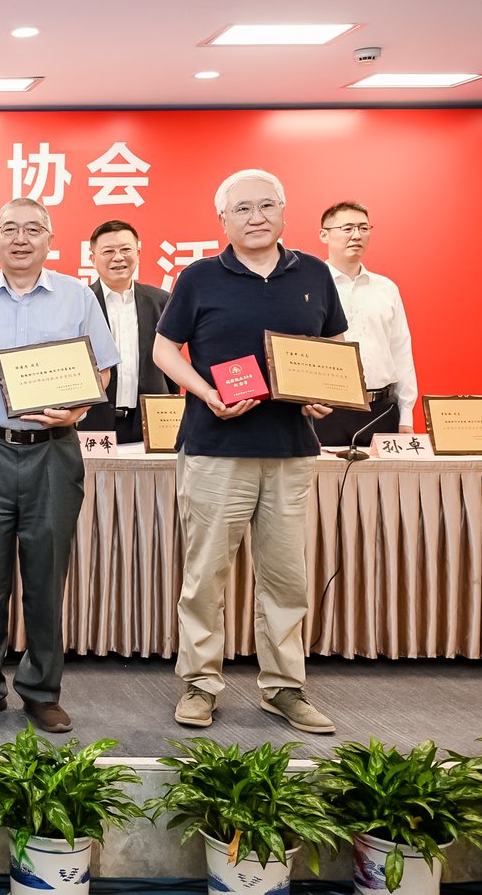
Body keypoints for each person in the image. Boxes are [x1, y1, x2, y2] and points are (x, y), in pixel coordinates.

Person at [152, 169, 346, 735]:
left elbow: (334, 345)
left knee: (286, 578)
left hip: (290, 450)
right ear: (223, 220)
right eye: (242, 209)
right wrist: (207, 393)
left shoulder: (313, 273)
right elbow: (165, 350)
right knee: (204, 575)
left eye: (266, 205)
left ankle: (284, 687)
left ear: (284, 211)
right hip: (216, 448)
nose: (255, 217)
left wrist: (325, 392)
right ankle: (200, 683)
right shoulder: (198, 276)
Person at [0, 198, 118, 733]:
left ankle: (42, 691)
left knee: (46, 574)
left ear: (50, 239)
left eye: (33, 229)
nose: (21, 239)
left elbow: (101, 371)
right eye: (10, 229)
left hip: (54, 451)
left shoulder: (78, 296)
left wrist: (77, 409)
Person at [313, 201, 418, 447]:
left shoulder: (386, 288)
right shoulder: (310, 287)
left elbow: (400, 351)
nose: (357, 235)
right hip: (325, 410)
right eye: (347, 228)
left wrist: (406, 415)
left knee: (385, 475)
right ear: (324, 234)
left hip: (381, 410)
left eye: (363, 228)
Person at [76, 219, 175, 446]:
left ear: (138, 253)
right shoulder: (79, 304)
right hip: (93, 422)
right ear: (92, 258)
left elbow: (171, 365)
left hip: (152, 422)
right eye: (108, 251)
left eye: (126, 249)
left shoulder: (163, 301)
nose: (118, 257)